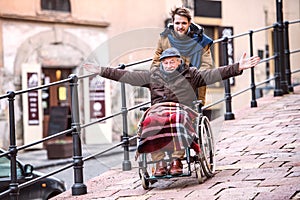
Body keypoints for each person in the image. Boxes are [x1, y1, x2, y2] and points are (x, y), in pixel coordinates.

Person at [84, 47, 260, 176]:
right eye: (166, 62)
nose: (169, 65)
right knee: (150, 121)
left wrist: (238, 67)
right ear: (161, 64)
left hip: (182, 109)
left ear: (179, 62)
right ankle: (160, 160)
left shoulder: (192, 74)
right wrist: (100, 71)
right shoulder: (152, 76)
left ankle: (176, 159)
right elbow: (125, 75)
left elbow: (215, 74)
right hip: (159, 109)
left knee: (177, 119)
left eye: (172, 62)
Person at [151, 6, 214, 105]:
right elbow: (155, 62)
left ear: (189, 23)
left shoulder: (201, 41)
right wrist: (160, 76)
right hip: (169, 86)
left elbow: (207, 65)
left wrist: (191, 78)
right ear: (173, 23)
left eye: (184, 23)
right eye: (177, 23)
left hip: (193, 87)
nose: (180, 26)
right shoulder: (164, 39)